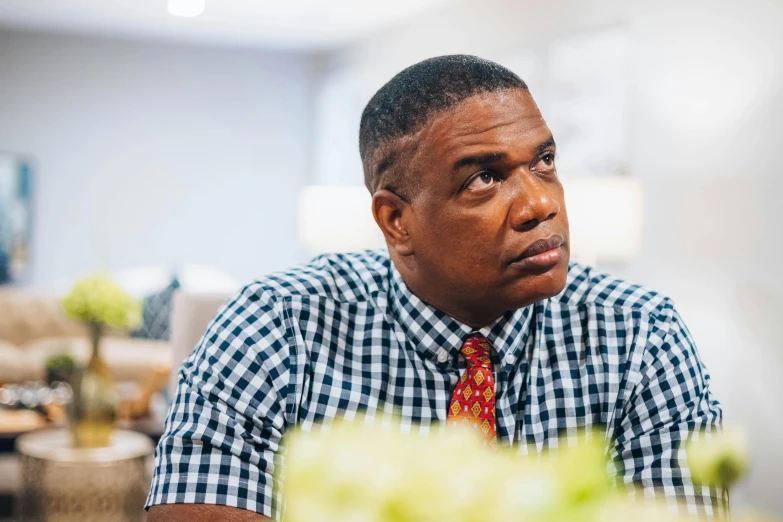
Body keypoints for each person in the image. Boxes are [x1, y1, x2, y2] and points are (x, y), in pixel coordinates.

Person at [146, 55, 723, 521]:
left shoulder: (639, 334)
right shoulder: (274, 326)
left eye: (544, 161)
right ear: (396, 221)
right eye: (484, 178)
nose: (541, 203)